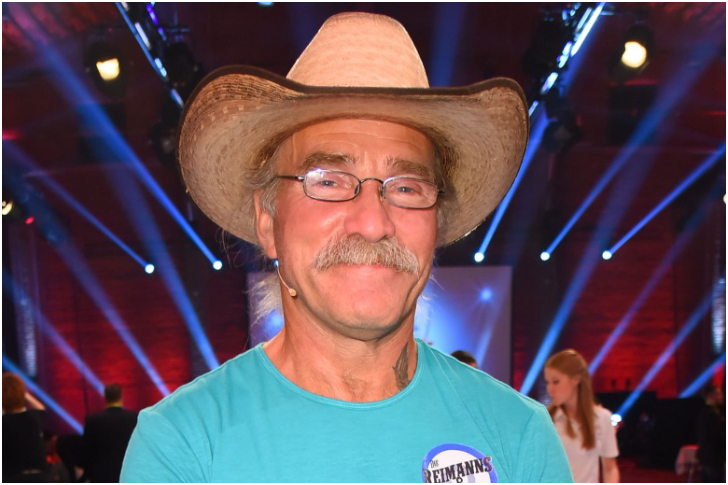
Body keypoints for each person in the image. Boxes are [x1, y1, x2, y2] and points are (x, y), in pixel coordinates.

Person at [121, 12, 572, 482]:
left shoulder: (518, 436)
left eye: (406, 187)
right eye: (328, 180)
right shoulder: (184, 445)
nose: (373, 223)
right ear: (268, 221)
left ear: (436, 223)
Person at [544, 350, 620, 483]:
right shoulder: (546, 419)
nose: (549, 389)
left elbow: (610, 468)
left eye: (556, 382)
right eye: (548, 382)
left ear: (576, 379)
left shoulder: (602, 418)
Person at [2, 372, 53, 483]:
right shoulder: (34, 418)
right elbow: (41, 408)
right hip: (41, 478)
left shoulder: (3, 422)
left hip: (13, 478)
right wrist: (23, 393)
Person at [83, 384, 138, 482]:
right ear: (121, 396)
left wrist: (88, 474)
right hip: (128, 474)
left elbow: (87, 451)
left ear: (105, 397)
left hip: (101, 475)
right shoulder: (134, 418)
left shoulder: (92, 420)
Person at [696, 383, 725, 483]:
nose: (722, 396)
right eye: (719, 394)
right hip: (714, 459)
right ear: (711, 396)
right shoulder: (711, 414)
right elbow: (718, 436)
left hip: (707, 458)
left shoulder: (705, 412)